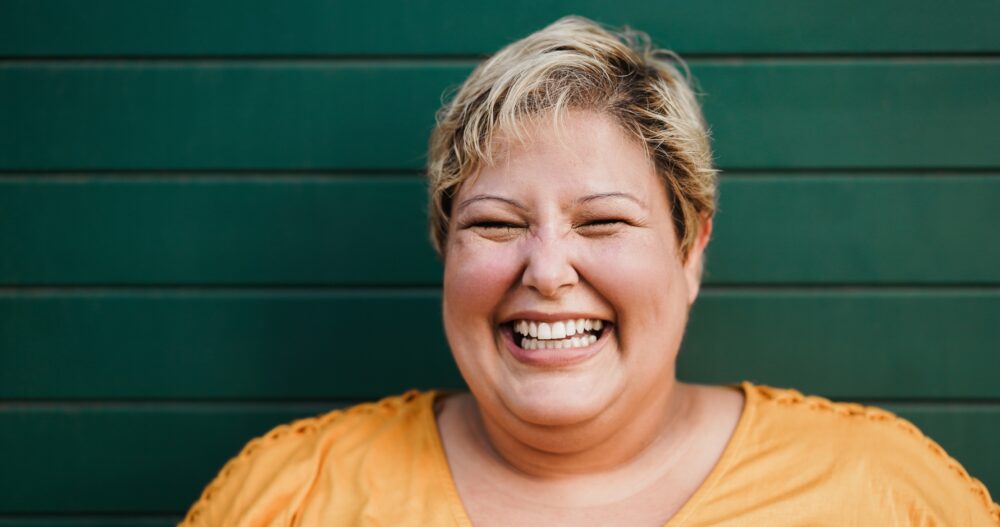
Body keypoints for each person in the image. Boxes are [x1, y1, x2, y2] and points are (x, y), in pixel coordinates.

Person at [180, 16, 998, 526]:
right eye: (496, 225)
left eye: (602, 222)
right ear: (444, 248)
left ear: (691, 250)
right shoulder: (287, 498)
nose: (546, 269)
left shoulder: (888, 496)